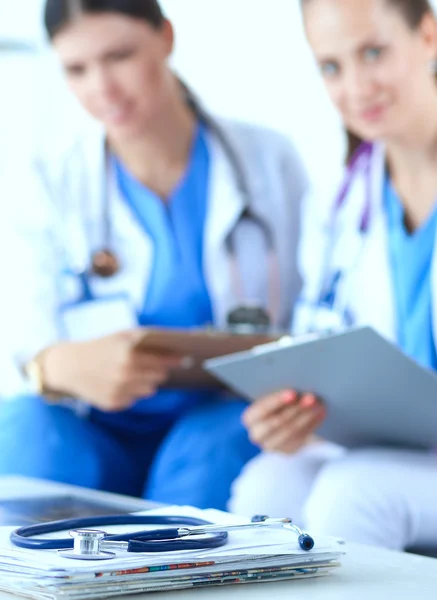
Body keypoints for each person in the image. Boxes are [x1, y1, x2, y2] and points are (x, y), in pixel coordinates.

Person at [0, 0, 308, 511]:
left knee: (206, 459)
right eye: (77, 69)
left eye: (119, 56)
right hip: (92, 425)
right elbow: (22, 330)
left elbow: (312, 310)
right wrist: (54, 364)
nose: (103, 89)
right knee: (23, 433)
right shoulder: (50, 181)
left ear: (166, 37)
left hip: (215, 418)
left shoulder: (267, 162)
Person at [230, 0, 437, 551]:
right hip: (401, 446)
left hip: (397, 467)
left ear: (429, 35)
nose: (356, 87)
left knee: (354, 493)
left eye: (373, 53)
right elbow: (325, 347)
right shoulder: (341, 205)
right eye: (331, 67)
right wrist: (296, 418)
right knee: (266, 485)